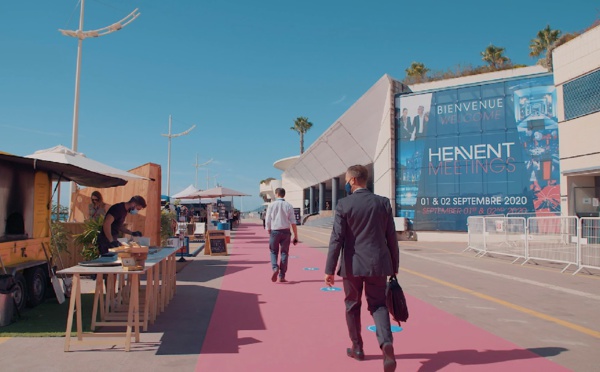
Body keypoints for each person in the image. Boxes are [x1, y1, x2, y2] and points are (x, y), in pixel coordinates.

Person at [324, 165, 399, 372]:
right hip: (378, 264)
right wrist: (394, 265)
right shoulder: (383, 203)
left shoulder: (344, 204)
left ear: (353, 180)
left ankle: (357, 348)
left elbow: (336, 238)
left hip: (352, 265)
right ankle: (386, 344)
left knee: (352, 306)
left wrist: (329, 269)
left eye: (347, 180)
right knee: (379, 305)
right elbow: (391, 237)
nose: (346, 184)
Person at [265, 188, 298, 283]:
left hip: (275, 231)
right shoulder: (289, 206)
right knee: (284, 253)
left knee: (273, 251)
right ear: (284, 194)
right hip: (286, 232)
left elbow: (268, 219)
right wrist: (296, 235)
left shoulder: (271, 205)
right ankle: (282, 276)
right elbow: (293, 221)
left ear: (276, 194)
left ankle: (275, 268)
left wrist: (268, 229)